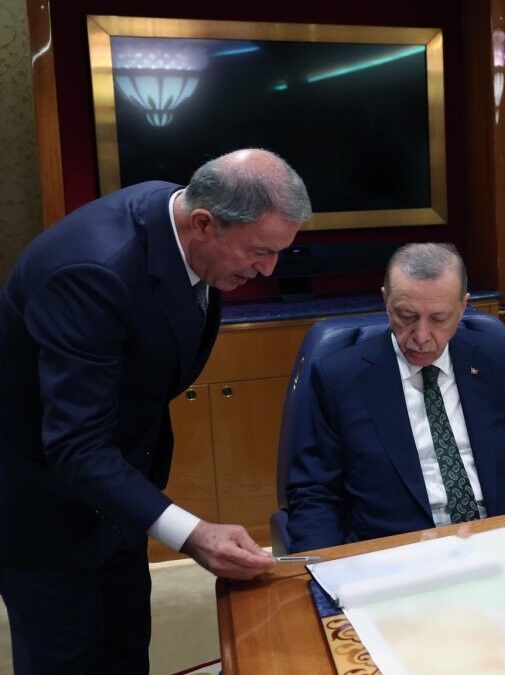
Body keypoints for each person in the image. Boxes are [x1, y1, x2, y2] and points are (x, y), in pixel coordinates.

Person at [0, 148, 310, 673]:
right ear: (204, 224)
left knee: (124, 649)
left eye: (279, 252)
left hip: (121, 494)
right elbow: (76, 444)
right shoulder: (90, 273)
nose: (268, 269)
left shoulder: (182, 223)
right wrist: (192, 533)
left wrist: (148, 511)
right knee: (68, 658)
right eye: (259, 251)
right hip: (43, 508)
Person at [285, 243, 505, 551]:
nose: (421, 336)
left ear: (463, 307)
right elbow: (316, 493)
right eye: (406, 316)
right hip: (398, 554)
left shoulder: (495, 358)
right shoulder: (339, 378)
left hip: (499, 541)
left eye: (439, 318)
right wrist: (317, 568)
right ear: (386, 301)